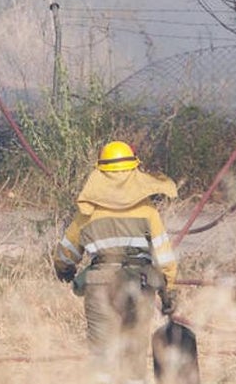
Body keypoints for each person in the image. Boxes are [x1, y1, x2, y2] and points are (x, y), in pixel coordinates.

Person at [52, 140, 179, 384]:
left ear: (100, 173)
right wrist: (169, 292)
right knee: (134, 355)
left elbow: (66, 253)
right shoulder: (147, 211)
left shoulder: (87, 212)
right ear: (134, 172)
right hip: (140, 285)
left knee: (101, 357)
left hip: (100, 287)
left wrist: (64, 270)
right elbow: (164, 259)